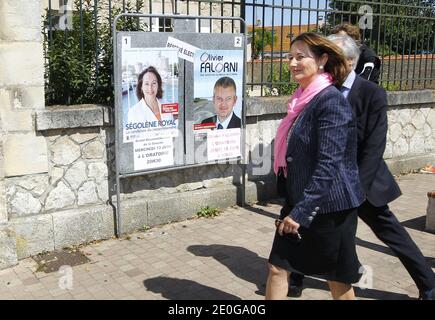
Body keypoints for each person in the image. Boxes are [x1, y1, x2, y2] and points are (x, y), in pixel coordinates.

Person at [288, 34, 435, 300]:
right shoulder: (315, 89)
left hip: (360, 183)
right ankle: (296, 277)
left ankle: (428, 283)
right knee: (306, 227)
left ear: (352, 61)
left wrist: (358, 188)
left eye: (335, 59)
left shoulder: (371, 93)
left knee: (391, 233)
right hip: (322, 181)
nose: (329, 65)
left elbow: (374, 146)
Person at [266, 32, 365, 300]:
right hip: (301, 199)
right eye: (290, 57)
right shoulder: (301, 99)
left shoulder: (330, 101)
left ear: (322, 60)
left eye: (300, 57)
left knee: (338, 281)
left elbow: (328, 165)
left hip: (331, 208)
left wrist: (301, 212)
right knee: (277, 267)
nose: (292, 63)